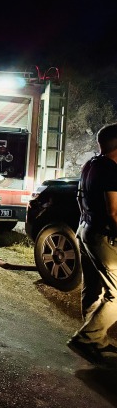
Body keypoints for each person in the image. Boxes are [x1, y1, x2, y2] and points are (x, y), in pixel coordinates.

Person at [67, 122, 117, 367]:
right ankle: (88, 338)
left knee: (93, 287)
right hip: (101, 236)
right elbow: (114, 211)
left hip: (85, 229)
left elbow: (80, 198)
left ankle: (96, 339)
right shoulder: (111, 170)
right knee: (116, 295)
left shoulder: (91, 165)